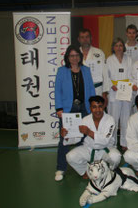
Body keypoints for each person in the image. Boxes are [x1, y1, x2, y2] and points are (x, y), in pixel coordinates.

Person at [54, 45, 96, 181]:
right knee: (65, 139)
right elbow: (57, 91)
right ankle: (61, 168)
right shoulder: (62, 71)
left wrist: (93, 107)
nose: (74, 58)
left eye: (77, 55)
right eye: (71, 56)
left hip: (84, 108)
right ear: (67, 57)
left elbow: (91, 89)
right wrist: (59, 108)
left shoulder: (86, 70)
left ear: (80, 56)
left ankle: (83, 167)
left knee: (83, 139)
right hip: (68, 109)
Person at [65, 96, 122, 178]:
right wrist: (67, 136)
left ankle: (111, 169)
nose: (97, 110)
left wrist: (89, 132)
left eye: (100, 107)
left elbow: (105, 140)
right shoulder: (85, 120)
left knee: (116, 157)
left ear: (104, 106)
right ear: (90, 108)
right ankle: (85, 171)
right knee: (70, 156)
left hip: (106, 149)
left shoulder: (110, 119)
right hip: (89, 149)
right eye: (94, 107)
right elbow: (77, 137)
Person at [104, 38, 133, 150]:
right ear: (113, 47)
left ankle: (124, 143)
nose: (119, 48)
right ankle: (113, 143)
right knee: (113, 119)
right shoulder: (109, 60)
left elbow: (131, 75)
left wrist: (128, 85)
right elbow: (106, 76)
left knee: (126, 119)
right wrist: (112, 85)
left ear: (123, 47)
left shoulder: (129, 59)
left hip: (126, 91)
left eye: (121, 45)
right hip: (114, 91)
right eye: (116, 45)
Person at [78, 29, 107, 99]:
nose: (85, 39)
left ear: (91, 38)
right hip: (80, 89)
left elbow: (105, 73)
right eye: (82, 37)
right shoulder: (75, 53)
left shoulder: (99, 53)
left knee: (97, 109)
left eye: (87, 37)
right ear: (78, 39)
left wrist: (105, 91)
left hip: (97, 88)